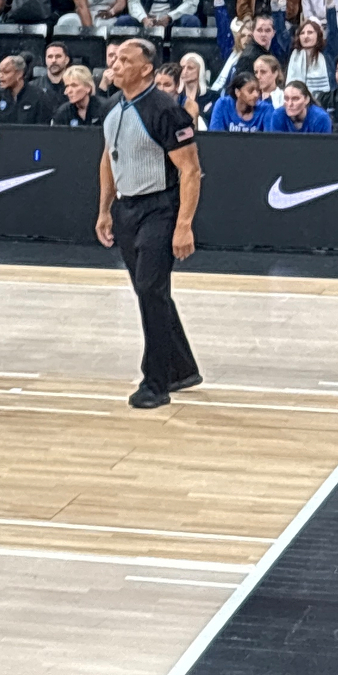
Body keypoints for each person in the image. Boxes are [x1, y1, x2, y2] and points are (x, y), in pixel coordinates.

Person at [97, 37, 203, 410]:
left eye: (125, 60)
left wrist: (184, 224)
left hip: (160, 208)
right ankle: (182, 368)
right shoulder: (114, 108)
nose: (116, 64)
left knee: (150, 289)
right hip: (127, 209)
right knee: (150, 292)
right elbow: (108, 158)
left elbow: (190, 170)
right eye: (115, 59)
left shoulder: (165, 110)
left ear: (146, 70)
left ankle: (156, 382)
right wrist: (105, 209)